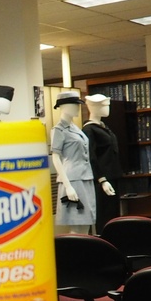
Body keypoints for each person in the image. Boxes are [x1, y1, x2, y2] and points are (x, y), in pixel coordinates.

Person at [50, 90, 95, 233]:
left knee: (87, 221)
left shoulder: (76, 128)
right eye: (74, 105)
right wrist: (67, 186)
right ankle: (75, 253)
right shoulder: (58, 130)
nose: (77, 108)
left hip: (86, 177)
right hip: (73, 179)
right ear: (64, 106)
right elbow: (55, 157)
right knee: (76, 222)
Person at [82, 93, 121, 233]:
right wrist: (102, 179)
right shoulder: (89, 130)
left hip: (112, 176)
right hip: (102, 179)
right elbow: (90, 156)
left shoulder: (103, 127)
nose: (107, 108)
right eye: (104, 106)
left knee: (113, 214)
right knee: (104, 213)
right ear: (93, 107)